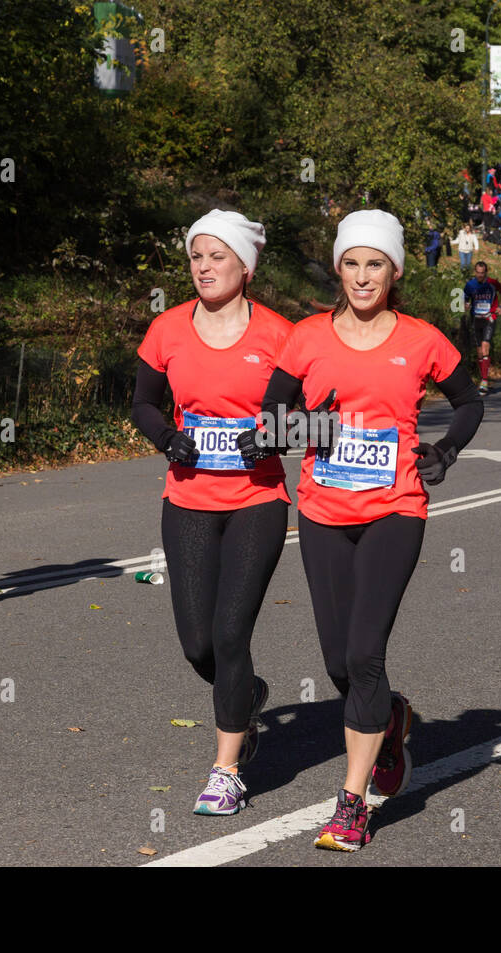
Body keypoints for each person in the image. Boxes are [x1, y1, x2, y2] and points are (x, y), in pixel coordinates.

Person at [257, 210, 483, 852]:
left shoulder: (421, 338)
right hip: (323, 512)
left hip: (395, 509)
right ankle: (394, 718)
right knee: (338, 662)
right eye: (352, 263)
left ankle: (351, 802)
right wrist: (312, 426)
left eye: (375, 264)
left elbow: (470, 400)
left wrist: (446, 450)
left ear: (395, 271)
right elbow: (273, 418)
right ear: (337, 268)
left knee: (363, 655)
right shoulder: (305, 338)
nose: (362, 276)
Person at [132, 210, 293, 816]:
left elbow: (319, 417)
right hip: (188, 501)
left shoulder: (280, 335)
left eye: (216, 256)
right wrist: (167, 438)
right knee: (199, 644)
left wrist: (274, 436)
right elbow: (144, 402)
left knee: (231, 632)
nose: (203, 267)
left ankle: (226, 769)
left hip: (257, 501)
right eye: (196, 256)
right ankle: (247, 695)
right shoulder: (168, 328)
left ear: (245, 266)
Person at [463, 261, 501, 394]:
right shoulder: (470, 285)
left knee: (485, 347)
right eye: (478, 273)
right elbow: (465, 298)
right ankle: (483, 377)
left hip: (489, 318)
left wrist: (500, 306)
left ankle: (484, 381)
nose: (480, 275)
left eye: (482, 273)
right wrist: (465, 304)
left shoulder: (493, 283)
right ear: (475, 272)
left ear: (486, 273)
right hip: (476, 319)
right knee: (479, 353)